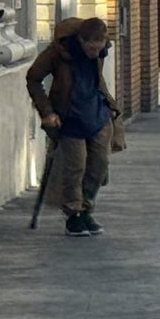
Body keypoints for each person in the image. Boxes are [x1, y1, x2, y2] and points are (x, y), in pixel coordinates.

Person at [25, 16, 122, 236]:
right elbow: (33, 78)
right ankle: (73, 214)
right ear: (80, 41)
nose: (95, 53)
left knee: (99, 164)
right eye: (91, 48)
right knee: (75, 167)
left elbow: (97, 80)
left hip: (96, 114)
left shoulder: (102, 49)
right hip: (69, 116)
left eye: (99, 48)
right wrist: (47, 112)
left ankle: (86, 209)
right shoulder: (59, 52)